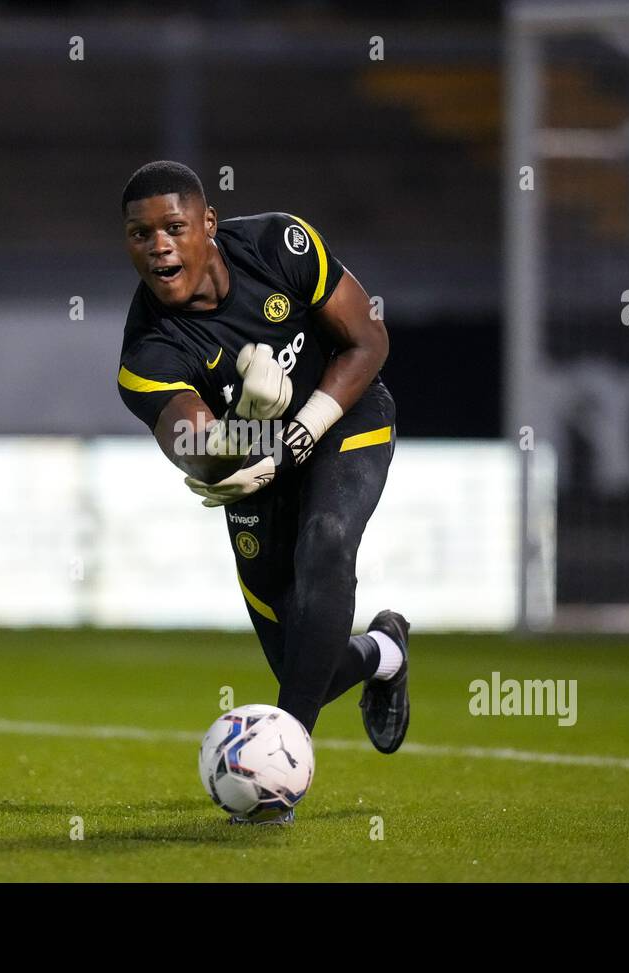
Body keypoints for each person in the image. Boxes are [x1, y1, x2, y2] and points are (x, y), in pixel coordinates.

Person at [115, 162, 410, 820]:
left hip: (345, 420)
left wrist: (307, 423)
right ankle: (387, 650)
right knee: (310, 661)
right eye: (139, 234)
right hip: (256, 472)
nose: (157, 244)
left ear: (208, 226)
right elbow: (187, 438)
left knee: (327, 541)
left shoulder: (282, 245)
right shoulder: (147, 355)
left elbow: (368, 338)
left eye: (172, 227)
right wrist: (230, 443)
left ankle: (282, 759)